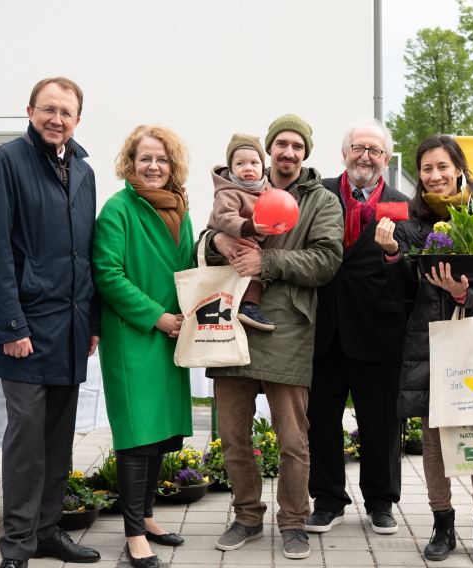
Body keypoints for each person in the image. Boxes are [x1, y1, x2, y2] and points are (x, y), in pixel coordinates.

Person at [0, 76, 101, 568]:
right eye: (48, 109)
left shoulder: (84, 172)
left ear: (77, 120)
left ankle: (48, 533)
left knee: (58, 442)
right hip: (23, 329)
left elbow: (86, 254)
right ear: (29, 111)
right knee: (26, 442)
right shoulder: (5, 162)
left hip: (68, 329)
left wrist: (92, 323)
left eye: (66, 112)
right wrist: (11, 326)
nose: (56, 119)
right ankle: (18, 546)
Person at [203, 114, 343, 560]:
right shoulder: (240, 191)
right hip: (231, 328)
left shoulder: (322, 201)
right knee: (233, 436)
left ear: (305, 152)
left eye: (296, 146)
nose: (288, 152)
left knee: (293, 439)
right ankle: (246, 516)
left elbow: (326, 261)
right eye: (280, 144)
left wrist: (267, 265)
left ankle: (293, 521)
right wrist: (214, 243)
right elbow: (209, 235)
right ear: (269, 151)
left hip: (288, 328)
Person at [375, 135, 473, 565]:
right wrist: (393, 253)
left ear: (459, 168)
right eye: (427, 168)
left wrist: (465, 293)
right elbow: (401, 294)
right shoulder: (411, 224)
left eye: (442, 166)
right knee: (433, 440)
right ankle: (442, 523)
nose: (435, 175)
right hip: (430, 345)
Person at [92, 125, 195, 568]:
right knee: (136, 435)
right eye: (145, 158)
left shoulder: (181, 208)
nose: (154, 166)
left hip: (174, 332)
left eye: (162, 159)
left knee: (158, 434)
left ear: (173, 165)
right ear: (130, 163)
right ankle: (134, 535)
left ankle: (148, 517)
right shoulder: (118, 210)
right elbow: (108, 273)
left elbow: (189, 264)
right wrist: (157, 316)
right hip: (135, 335)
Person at [305, 119, 410, 536]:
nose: (366, 156)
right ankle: (328, 500)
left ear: (386, 159)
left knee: (381, 422)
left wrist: (392, 254)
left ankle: (381, 502)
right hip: (323, 329)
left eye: (375, 150)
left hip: (378, 332)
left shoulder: (402, 204)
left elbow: (409, 283)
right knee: (322, 419)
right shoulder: (319, 193)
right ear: (344, 152)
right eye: (358, 148)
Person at [206, 133, 276, 331]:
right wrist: (249, 227)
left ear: (263, 166)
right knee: (241, 272)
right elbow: (225, 217)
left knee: (260, 271)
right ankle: (242, 306)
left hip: (250, 241)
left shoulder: (267, 190)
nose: (248, 168)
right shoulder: (227, 191)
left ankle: (249, 306)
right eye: (240, 163)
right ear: (231, 168)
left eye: (254, 162)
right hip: (228, 241)